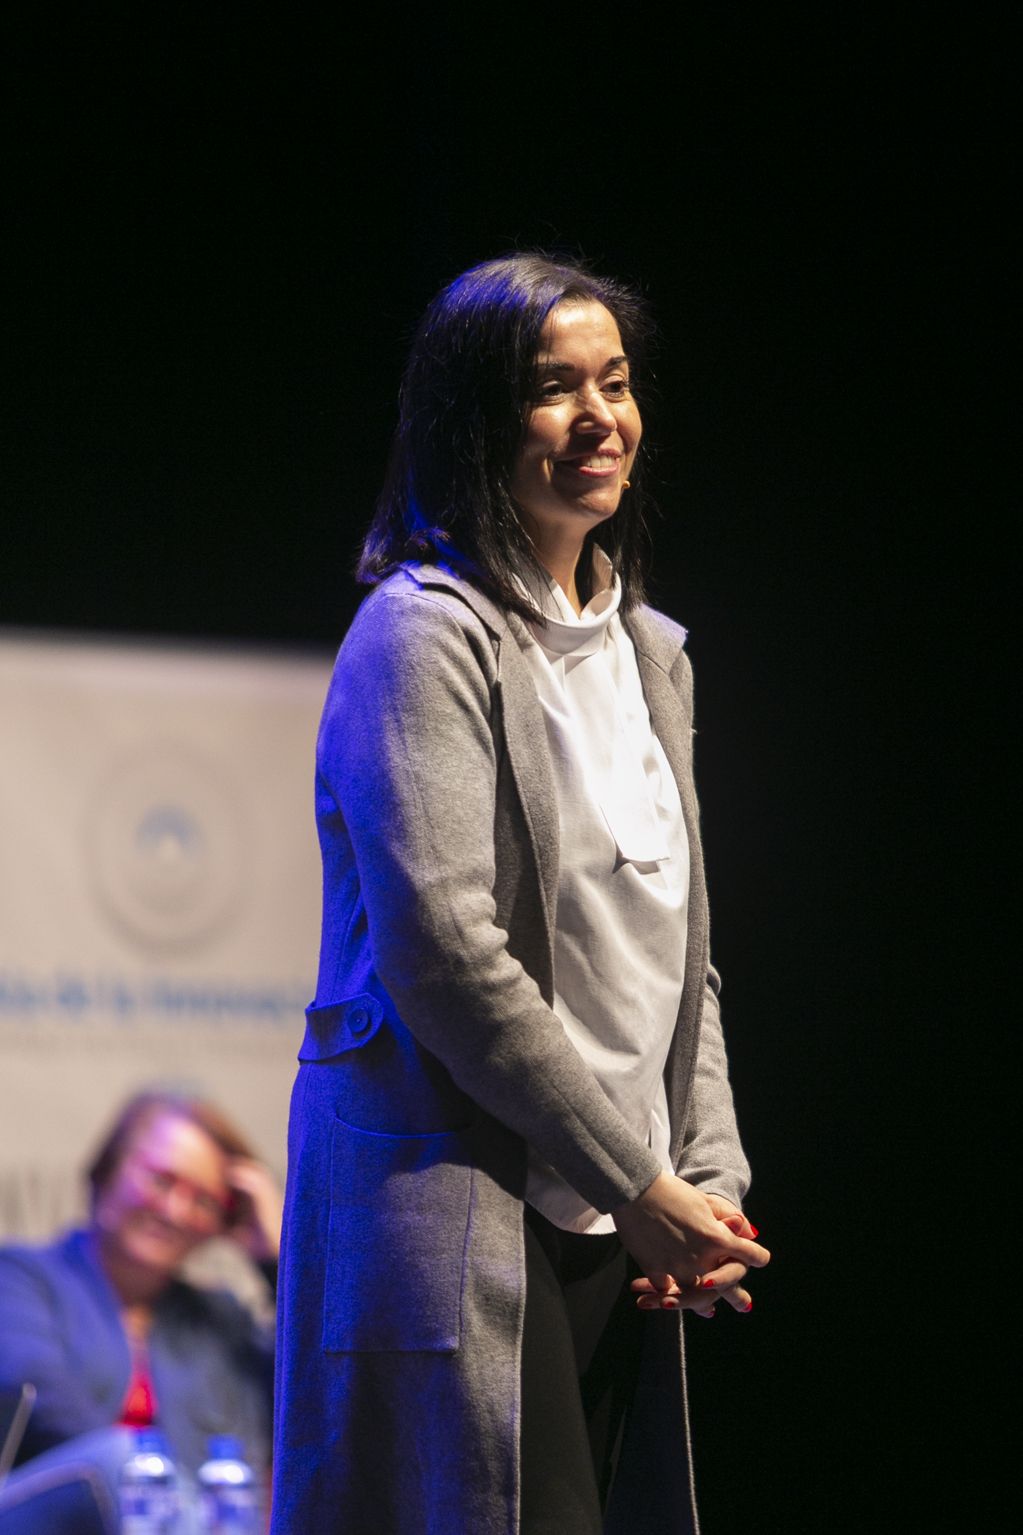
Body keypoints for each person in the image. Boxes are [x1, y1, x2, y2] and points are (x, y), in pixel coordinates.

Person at [271, 252, 771, 1535]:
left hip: (619, 1213)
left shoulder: (654, 655)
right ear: (474, 420)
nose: (600, 416)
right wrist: (642, 1178)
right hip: (453, 1205)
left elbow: (680, 950)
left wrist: (703, 1176)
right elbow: (449, 954)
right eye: (556, 389)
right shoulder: (421, 633)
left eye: (615, 382)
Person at [0, 1091, 282, 1527]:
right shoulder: (20, 1277)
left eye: (203, 1201)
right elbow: (36, 1397)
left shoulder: (221, 1319)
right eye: (161, 1181)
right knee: (127, 1466)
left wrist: (278, 1263)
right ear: (109, 1169)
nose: (174, 1211)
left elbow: (315, 1408)